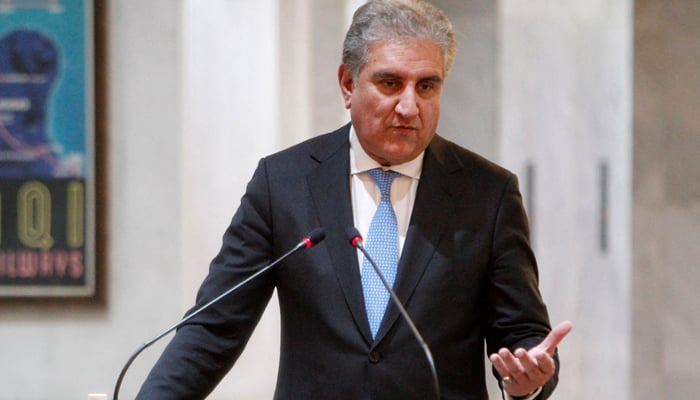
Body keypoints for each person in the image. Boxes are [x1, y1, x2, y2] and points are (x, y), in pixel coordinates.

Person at [136, 0, 572, 399]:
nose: (408, 107)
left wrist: (528, 378)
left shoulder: (487, 193)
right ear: (348, 83)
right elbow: (214, 326)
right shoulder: (284, 183)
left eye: (426, 87)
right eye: (390, 83)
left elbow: (523, 333)